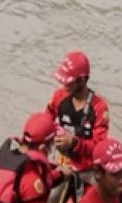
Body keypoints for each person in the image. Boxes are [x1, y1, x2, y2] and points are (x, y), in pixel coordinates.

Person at [46, 51, 110, 181]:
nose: (64, 86)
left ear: (82, 80)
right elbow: (45, 121)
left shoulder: (99, 107)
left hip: (88, 170)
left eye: (68, 83)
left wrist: (74, 142)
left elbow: (99, 148)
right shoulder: (58, 96)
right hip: (62, 165)